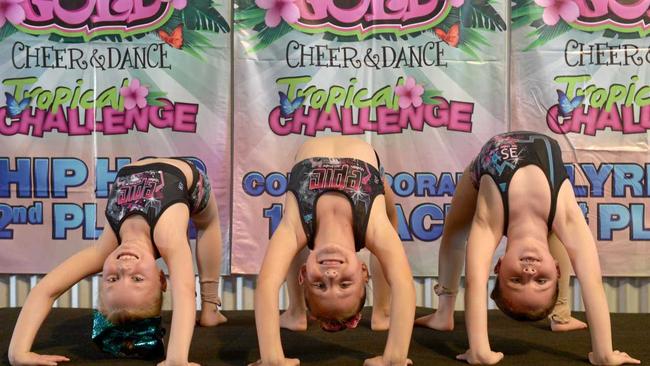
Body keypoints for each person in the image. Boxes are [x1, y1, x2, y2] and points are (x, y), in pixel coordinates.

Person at [417, 131, 639, 365]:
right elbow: (592, 281)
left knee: (454, 230)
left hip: (484, 167)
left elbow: (474, 281)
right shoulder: (567, 218)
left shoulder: (489, 222)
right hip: (547, 198)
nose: (529, 273)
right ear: (557, 270)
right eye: (541, 280)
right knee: (558, 232)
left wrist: (480, 350)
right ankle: (561, 316)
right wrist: (604, 353)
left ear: (499, 266)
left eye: (515, 280)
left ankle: (444, 313)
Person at [8, 157, 227, 366]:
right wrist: (176, 358)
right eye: (137, 278)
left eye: (112, 278)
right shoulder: (168, 238)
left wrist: (18, 351)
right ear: (162, 279)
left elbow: (45, 290)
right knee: (207, 224)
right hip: (187, 179)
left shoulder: (104, 249)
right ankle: (210, 309)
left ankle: (207, 310)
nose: (124, 266)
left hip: (138, 169)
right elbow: (185, 291)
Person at [249, 136, 415, 366]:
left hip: (312, 160)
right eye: (345, 284)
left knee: (287, 247)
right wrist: (394, 358)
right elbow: (403, 283)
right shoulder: (375, 228)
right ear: (363, 272)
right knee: (391, 225)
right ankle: (382, 311)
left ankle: (296, 312)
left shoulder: (295, 228)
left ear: (304, 273)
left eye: (319, 285)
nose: (331, 276)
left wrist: (272, 358)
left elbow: (267, 285)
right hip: (368, 167)